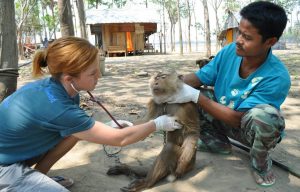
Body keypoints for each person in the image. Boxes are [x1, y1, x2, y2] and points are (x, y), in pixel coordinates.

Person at [0, 36, 182, 192]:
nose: (99, 77)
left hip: (15, 153)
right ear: (69, 78)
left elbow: (76, 132)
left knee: (73, 133)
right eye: (93, 73)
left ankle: (39, 176)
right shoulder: (56, 106)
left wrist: (109, 127)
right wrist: (158, 124)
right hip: (3, 167)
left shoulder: (63, 91)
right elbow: (120, 140)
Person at [166, 1, 290, 187]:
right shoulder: (229, 52)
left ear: (270, 42)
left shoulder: (277, 76)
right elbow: (199, 78)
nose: (238, 40)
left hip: (249, 130)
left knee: (266, 117)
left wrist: (194, 96)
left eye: (247, 37)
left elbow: (237, 120)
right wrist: (171, 85)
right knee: (183, 97)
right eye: (239, 32)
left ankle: (260, 162)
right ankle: (217, 143)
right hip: (221, 117)